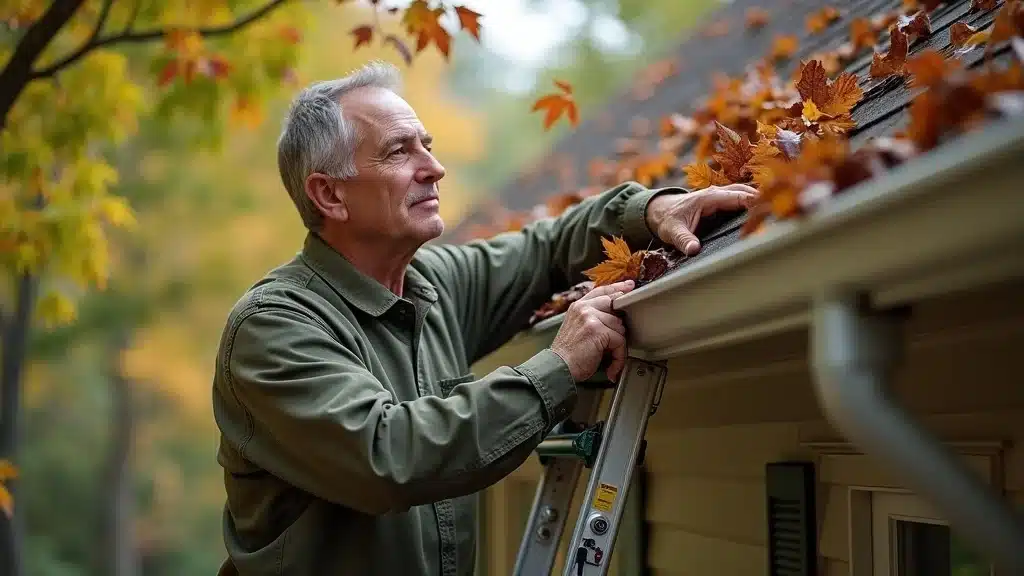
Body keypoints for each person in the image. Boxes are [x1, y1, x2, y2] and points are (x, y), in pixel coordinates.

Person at [211, 60, 757, 576]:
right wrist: (558, 366)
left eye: (428, 144)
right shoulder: (274, 328)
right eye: (400, 151)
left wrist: (648, 210)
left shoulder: (434, 283)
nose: (434, 167)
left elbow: (546, 248)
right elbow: (389, 456)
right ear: (329, 194)